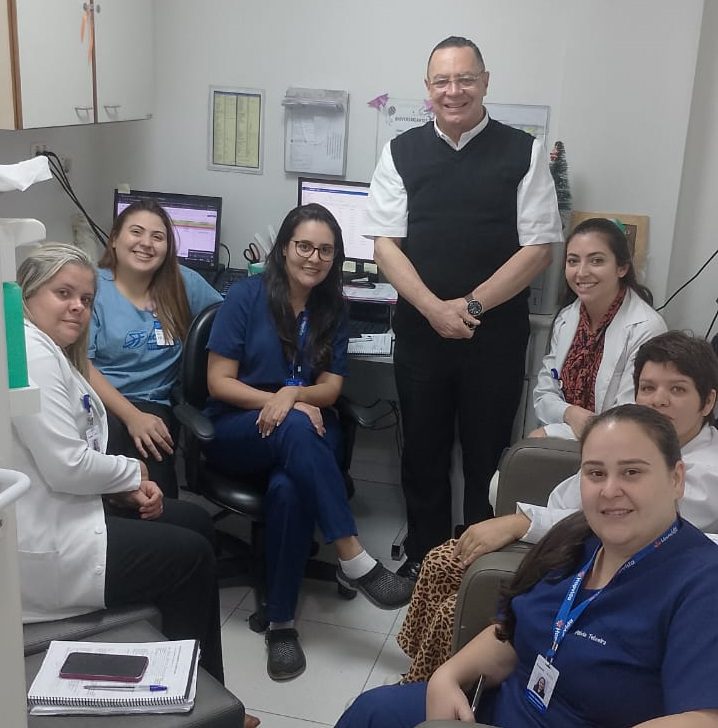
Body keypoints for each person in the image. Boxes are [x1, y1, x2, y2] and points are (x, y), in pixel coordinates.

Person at [337, 405, 718, 727]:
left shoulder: (701, 581)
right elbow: (511, 632)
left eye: (632, 472)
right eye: (596, 473)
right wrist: (446, 677)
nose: (609, 490)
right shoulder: (575, 539)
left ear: (676, 479)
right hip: (504, 706)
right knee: (373, 711)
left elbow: (703, 718)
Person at [397, 330, 718, 682]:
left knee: (454, 610)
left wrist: (520, 523)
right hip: (560, 534)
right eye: (648, 387)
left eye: (677, 390)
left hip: (599, 561)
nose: (659, 401)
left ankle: (437, 686)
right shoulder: (638, 437)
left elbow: (609, 524)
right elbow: (577, 479)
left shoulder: (705, 474)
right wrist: (551, 433)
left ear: (707, 402)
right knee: (441, 561)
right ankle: (421, 673)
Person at [364, 35, 563, 580]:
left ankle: (476, 568)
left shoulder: (522, 152)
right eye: (442, 81)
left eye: (465, 79)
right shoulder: (400, 152)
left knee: (487, 457)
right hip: (421, 332)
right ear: (427, 88)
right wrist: (434, 309)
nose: (454, 91)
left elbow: (538, 249)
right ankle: (427, 560)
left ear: (485, 82)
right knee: (422, 452)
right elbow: (385, 246)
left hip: (493, 338)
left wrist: (469, 306)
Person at [202, 204, 414, 681]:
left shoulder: (331, 308)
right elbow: (219, 381)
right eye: (304, 246)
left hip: (305, 429)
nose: (314, 258)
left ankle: (280, 625)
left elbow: (330, 389)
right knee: (296, 428)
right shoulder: (246, 297)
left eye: (325, 250)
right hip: (240, 428)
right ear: (283, 248)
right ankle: (352, 556)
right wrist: (277, 401)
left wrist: (294, 396)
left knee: (288, 488)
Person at [12, 244, 224, 683]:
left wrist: (120, 490)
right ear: (28, 295)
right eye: (63, 293)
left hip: (73, 507)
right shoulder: (32, 355)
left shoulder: (50, 350)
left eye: (86, 299)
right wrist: (132, 474)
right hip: (53, 542)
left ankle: (197, 682)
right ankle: (188, 688)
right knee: (190, 556)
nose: (78, 307)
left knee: (196, 522)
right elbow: (67, 466)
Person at [88, 199, 222, 497]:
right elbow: (83, 365)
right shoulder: (93, 286)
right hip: (100, 401)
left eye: (157, 237)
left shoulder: (183, 283)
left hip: (154, 405)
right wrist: (132, 416)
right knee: (110, 479)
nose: (146, 243)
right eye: (136, 232)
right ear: (114, 239)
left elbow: (230, 317)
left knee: (157, 493)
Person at [532, 217, 666, 440]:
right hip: (569, 430)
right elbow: (544, 394)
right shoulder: (567, 318)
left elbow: (631, 415)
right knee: (530, 450)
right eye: (573, 261)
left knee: (534, 445)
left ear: (622, 268)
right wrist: (570, 413)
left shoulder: (646, 328)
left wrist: (557, 430)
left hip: (618, 442)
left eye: (596, 261)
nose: (581, 272)